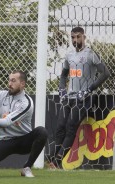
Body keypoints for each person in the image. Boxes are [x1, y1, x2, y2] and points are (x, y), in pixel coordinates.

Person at [49, 27, 110, 169]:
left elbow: (105, 73)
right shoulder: (69, 55)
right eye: (72, 37)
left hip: (84, 98)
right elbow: (64, 74)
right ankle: (51, 160)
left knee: (71, 127)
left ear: (84, 37)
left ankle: (57, 162)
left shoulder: (90, 54)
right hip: (69, 97)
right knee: (59, 127)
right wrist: (61, 89)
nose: (75, 40)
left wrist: (89, 90)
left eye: (77, 37)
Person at [0, 70, 48, 177]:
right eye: (9, 80)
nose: (10, 84)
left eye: (13, 81)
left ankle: (27, 167)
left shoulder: (27, 103)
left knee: (41, 131)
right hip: (3, 141)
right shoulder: (0, 95)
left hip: (23, 141)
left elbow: (6, 122)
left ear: (22, 84)